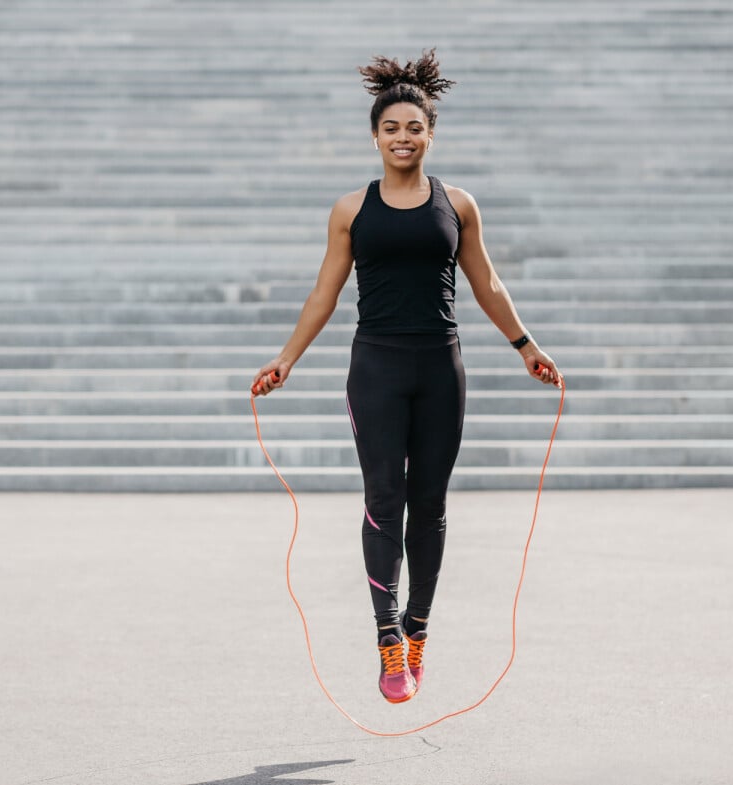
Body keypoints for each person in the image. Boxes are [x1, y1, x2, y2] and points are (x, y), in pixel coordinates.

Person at [251, 49, 563, 705]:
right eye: (391, 128)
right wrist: (286, 359)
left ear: (430, 132)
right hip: (377, 366)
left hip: (441, 367)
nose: (403, 137)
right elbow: (323, 295)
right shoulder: (350, 210)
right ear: (375, 135)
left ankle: (418, 627)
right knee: (382, 500)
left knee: (431, 504)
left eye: (413, 128)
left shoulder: (459, 204)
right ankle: (387, 637)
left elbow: (487, 282)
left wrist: (525, 345)